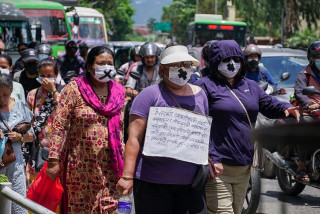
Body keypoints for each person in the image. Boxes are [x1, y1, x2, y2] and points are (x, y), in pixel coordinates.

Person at [194, 40, 300, 214]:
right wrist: (212, 156)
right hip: (218, 168)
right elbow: (197, 125)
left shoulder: (250, 86)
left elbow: (268, 103)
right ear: (215, 61)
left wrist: (286, 108)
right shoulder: (204, 86)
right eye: (226, 59)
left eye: (236, 59)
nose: (231, 64)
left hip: (244, 167)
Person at [117, 44, 209, 214]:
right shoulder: (149, 95)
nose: (182, 70)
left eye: (186, 65)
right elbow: (134, 138)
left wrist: (211, 159)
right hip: (153, 183)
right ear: (163, 70)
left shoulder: (201, 95)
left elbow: (202, 136)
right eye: (175, 65)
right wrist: (127, 176)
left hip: (192, 183)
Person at [46, 46, 125, 213]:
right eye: (101, 63)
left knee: (109, 207)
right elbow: (59, 125)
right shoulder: (74, 89)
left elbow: (121, 129)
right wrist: (53, 159)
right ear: (90, 67)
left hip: (109, 166)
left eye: (110, 63)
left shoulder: (119, 92)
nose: (106, 66)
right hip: (79, 166)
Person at [25, 58, 65, 188]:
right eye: (42, 76)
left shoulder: (65, 93)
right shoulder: (32, 95)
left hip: (60, 152)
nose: (46, 79)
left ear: (56, 75)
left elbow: (65, 114)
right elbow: (28, 121)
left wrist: (53, 92)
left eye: (50, 76)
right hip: (37, 151)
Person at [0, 74, 34, 214]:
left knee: (18, 204)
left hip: (16, 164)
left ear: (12, 90)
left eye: (5, 95)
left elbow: (31, 136)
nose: (1, 99)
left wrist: (20, 136)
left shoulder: (20, 106)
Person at [294, 41, 320, 182]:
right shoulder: (303, 75)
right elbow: (299, 92)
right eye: (318, 56)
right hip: (310, 112)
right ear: (311, 58)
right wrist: (308, 104)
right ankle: (301, 166)